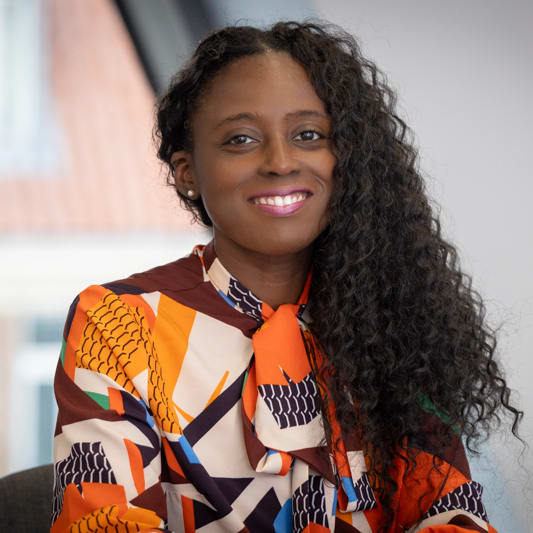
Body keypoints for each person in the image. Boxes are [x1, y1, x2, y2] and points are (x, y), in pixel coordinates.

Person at [51, 21, 522, 533]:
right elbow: (101, 523)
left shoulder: (395, 315)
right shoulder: (120, 323)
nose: (280, 162)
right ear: (187, 172)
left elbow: (451, 515)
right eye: (241, 139)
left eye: (308, 135)